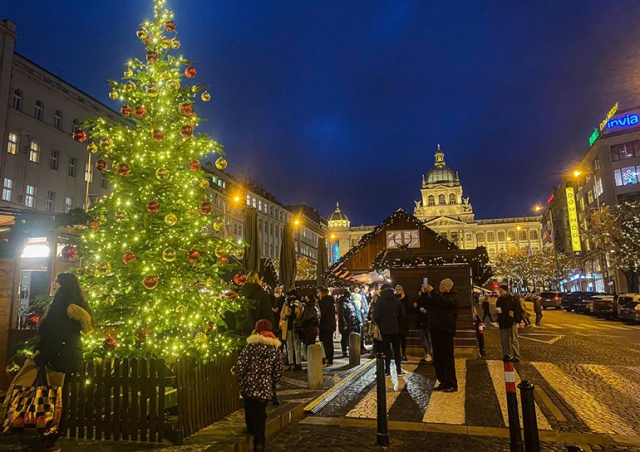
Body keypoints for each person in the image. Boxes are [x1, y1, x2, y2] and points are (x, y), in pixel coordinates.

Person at [34, 272, 94, 451]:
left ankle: (52, 437)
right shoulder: (63, 303)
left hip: (61, 357)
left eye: (56, 282)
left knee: (56, 398)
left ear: (64, 285)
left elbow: (58, 335)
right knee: (55, 396)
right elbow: (49, 332)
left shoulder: (67, 307)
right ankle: (49, 435)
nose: (53, 285)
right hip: (60, 356)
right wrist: (38, 347)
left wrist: (42, 355)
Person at [233, 319, 284, 452]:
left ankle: (250, 429)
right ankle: (259, 443)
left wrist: (238, 373)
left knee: (249, 409)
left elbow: (240, 366)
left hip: (248, 386)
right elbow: (279, 370)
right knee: (260, 415)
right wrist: (270, 380)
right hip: (264, 387)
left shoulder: (250, 347)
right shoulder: (274, 349)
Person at [423, 278, 458, 392]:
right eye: (440, 285)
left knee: (447, 358)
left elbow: (445, 303)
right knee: (438, 358)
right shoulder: (437, 297)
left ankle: (452, 383)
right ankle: (443, 381)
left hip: (445, 331)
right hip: (435, 330)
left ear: (449, 287)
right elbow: (427, 304)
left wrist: (433, 293)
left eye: (444, 285)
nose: (441, 287)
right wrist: (425, 294)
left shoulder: (452, 297)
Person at [373, 284, 406, 376]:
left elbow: (376, 315)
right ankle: (398, 369)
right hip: (395, 328)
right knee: (396, 349)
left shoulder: (380, 301)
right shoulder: (396, 300)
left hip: (384, 328)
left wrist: (380, 323)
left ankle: (387, 370)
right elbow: (402, 314)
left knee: (386, 349)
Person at [237, 271, 274, 337]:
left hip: (243, 330)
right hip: (259, 332)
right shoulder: (262, 294)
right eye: (261, 280)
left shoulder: (241, 294)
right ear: (258, 280)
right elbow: (267, 314)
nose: (262, 282)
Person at [496, 285, 522, 362]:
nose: (500, 292)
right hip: (502, 322)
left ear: (506, 291)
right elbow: (497, 309)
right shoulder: (499, 300)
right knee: (504, 340)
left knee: (514, 340)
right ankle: (506, 355)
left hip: (512, 322)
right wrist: (498, 312)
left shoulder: (513, 299)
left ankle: (516, 355)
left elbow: (517, 310)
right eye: (499, 290)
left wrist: (517, 320)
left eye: (501, 290)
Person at [280, 290, 304, 371]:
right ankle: (290, 363)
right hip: (287, 327)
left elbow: (301, 314)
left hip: (295, 327)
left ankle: (298, 363)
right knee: (289, 346)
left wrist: (296, 314)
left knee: (297, 345)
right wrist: (285, 315)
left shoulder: (299, 304)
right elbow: (281, 315)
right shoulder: (286, 304)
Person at [317, 286, 336, 365]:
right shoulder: (331, 302)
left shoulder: (322, 303)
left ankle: (325, 358)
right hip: (331, 325)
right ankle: (330, 358)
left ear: (322, 293)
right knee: (329, 342)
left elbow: (322, 314)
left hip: (324, 325)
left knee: (324, 342)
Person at [413, 287, 432, 362]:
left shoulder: (430, 299)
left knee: (428, 337)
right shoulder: (418, 300)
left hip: (428, 321)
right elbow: (414, 308)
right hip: (420, 321)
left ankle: (429, 353)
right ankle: (427, 353)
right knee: (423, 338)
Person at [338, 290, 359, 358]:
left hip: (351, 323)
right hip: (347, 324)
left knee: (348, 337)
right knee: (344, 337)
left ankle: (349, 351)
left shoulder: (348, 303)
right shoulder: (343, 304)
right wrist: (344, 324)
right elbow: (342, 315)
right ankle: (344, 351)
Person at [301, 294, 320, 359]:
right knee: (309, 345)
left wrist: (304, 324)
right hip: (310, 328)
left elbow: (309, 318)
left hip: (310, 329)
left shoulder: (311, 307)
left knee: (309, 346)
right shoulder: (314, 306)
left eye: (306, 299)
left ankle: (311, 363)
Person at [395, 285, 411, 361]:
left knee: (403, 339)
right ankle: (397, 354)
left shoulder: (405, 299)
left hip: (403, 321)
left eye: (399, 289)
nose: (398, 291)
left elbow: (408, 309)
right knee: (396, 339)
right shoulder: (394, 298)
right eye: (396, 289)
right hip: (396, 321)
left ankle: (403, 354)